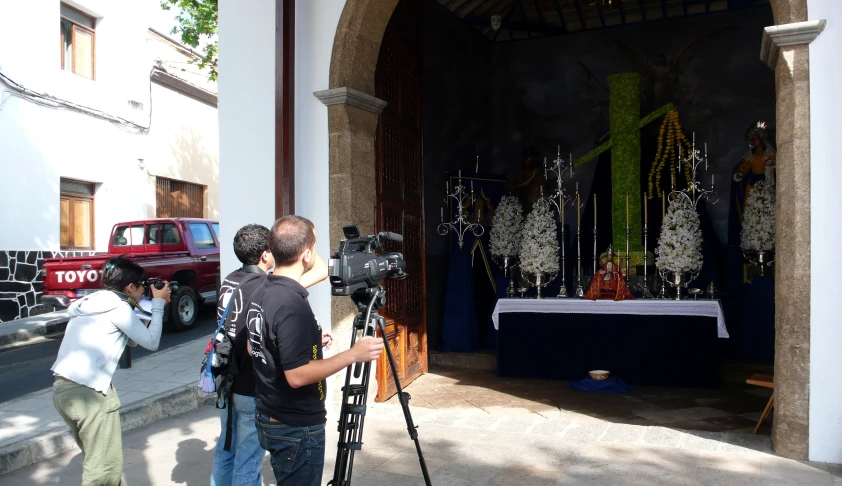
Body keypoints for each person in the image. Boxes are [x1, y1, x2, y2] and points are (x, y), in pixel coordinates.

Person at [248, 215, 385, 485]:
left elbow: (254, 344)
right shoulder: (290, 303)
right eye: (314, 245)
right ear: (307, 253)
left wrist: (305, 340)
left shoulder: (263, 288)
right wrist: (353, 355)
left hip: (270, 414)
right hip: (294, 425)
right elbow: (297, 376)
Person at [210, 224, 328, 486]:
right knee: (249, 460)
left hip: (226, 379)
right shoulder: (265, 286)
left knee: (226, 448)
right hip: (251, 386)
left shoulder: (230, 279)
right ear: (266, 254)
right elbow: (321, 271)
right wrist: (308, 234)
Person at [51, 257, 170, 485]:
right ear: (130, 287)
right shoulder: (119, 308)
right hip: (90, 395)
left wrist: (149, 307)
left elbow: (134, 340)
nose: (145, 290)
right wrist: (158, 306)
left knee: (101, 460)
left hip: (63, 390)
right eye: (143, 286)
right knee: (103, 471)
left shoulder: (92, 302)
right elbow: (152, 342)